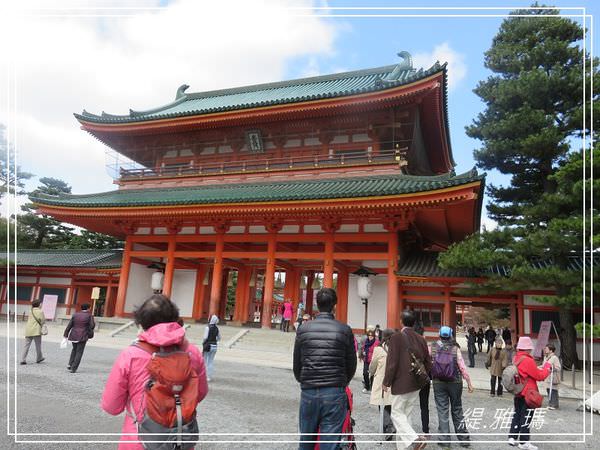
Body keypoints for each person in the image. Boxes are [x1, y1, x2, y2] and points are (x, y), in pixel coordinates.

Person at [101, 294, 208, 449]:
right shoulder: (193, 353)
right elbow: (201, 393)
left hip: (139, 440)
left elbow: (111, 406)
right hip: (179, 440)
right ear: (175, 318)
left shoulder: (131, 355)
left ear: (142, 323)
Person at [293, 288, 357, 450]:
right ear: (334, 305)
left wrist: (306, 380)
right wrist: (341, 382)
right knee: (329, 443)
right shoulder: (344, 330)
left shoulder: (303, 330)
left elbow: (297, 365)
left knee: (306, 440)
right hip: (334, 391)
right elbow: (351, 364)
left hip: (309, 391)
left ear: (316, 304)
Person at [383, 310, 431, 450]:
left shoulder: (396, 338)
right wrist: (419, 374)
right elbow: (428, 363)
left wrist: (386, 382)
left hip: (401, 384)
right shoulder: (421, 338)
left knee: (396, 413)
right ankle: (403, 447)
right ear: (414, 322)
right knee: (406, 415)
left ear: (401, 321)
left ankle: (414, 439)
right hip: (416, 384)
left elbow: (392, 363)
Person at [430, 326, 474, 448]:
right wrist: (469, 382)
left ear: (439, 335)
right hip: (455, 381)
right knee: (457, 409)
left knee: (442, 410)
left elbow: (428, 362)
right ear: (451, 335)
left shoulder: (433, 347)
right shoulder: (455, 349)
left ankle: (444, 440)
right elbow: (462, 367)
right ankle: (464, 439)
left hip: (438, 382)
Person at [508, 336, 552, 450]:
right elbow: (539, 376)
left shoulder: (516, 358)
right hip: (528, 393)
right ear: (527, 349)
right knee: (526, 417)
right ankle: (524, 442)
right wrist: (547, 368)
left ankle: (512, 437)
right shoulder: (528, 360)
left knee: (517, 414)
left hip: (517, 391)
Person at [369, 328, 396, 441]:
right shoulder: (396, 349)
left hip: (381, 380)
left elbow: (372, 366)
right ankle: (390, 425)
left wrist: (372, 372)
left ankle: (388, 427)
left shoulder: (378, 349)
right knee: (391, 403)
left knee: (383, 403)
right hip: (394, 379)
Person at [63, 303, 95, 373]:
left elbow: (70, 325)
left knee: (74, 349)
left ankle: (70, 364)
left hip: (73, 334)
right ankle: (74, 368)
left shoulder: (75, 314)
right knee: (79, 352)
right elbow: (92, 326)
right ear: (88, 308)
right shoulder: (89, 315)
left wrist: (66, 334)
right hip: (83, 335)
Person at [414, 319, 430, 435]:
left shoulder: (408, 343)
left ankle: (406, 431)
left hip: (411, 377)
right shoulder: (425, 343)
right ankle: (425, 429)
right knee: (424, 405)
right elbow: (429, 362)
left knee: (406, 404)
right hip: (424, 377)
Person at [21, 299, 45, 365]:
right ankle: (39, 358)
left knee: (26, 345)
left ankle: (23, 359)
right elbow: (43, 321)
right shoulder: (40, 312)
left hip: (28, 330)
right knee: (38, 345)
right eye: (41, 303)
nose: (41, 304)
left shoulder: (30, 311)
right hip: (36, 330)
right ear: (39, 304)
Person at [360, 328, 379, 393]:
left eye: (371, 336)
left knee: (372, 375)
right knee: (365, 373)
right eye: (369, 336)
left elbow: (377, 351)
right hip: (366, 360)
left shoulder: (376, 342)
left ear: (374, 336)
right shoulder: (366, 341)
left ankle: (371, 388)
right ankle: (367, 386)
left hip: (373, 361)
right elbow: (363, 348)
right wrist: (363, 352)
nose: (370, 337)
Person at [543, 344, 561, 409]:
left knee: (553, 390)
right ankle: (550, 404)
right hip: (547, 377)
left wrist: (551, 367)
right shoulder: (546, 357)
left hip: (553, 377)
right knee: (548, 390)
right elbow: (543, 366)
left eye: (546, 349)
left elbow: (558, 367)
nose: (545, 350)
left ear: (551, 350)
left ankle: (555, 405)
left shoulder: (554, 358)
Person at [203, 314, 220, 382]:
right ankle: (209, 376)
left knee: (205, 361)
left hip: (208, 345)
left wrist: (204, 342)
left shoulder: (207, 327)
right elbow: (219, 338)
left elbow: (205, 337)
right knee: (211, 361)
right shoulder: (217, 328)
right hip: (214, 346)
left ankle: (205, 376)